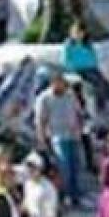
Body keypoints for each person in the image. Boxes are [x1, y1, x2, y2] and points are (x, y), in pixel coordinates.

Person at [36, 73, 87, 208]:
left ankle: (76, 196)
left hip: (73, 135)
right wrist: (42, 138)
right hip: (57, 135)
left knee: (76, 166)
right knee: (64, 167)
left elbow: (78, 113)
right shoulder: (44, 98)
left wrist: (80, 129)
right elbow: (41, 120)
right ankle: (64, 195)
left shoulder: (70, 95)